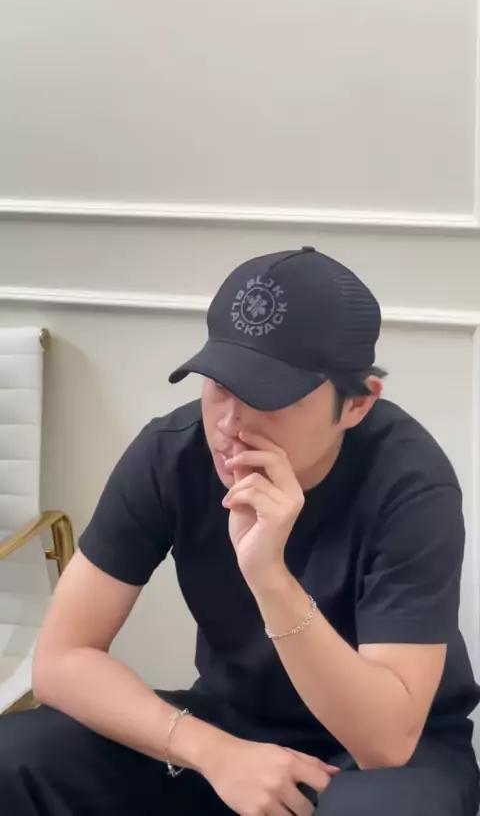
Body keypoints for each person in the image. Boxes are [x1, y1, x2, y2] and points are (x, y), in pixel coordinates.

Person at [0, 247, 479, 816]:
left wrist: (269, 576)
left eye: (268, 397)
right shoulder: (172, 453)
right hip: (231, 723)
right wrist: (214, 752)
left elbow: (385, 741)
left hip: (389, 752)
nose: (229, 425)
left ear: (356, 404)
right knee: (17, 756)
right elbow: (60, 660)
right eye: (220, 385)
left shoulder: (411, 483)